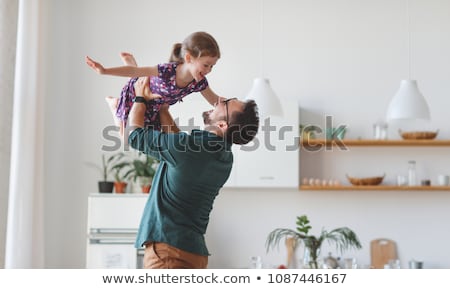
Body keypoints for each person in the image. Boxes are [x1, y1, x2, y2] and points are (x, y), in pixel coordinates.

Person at [127, 77, 259, 269]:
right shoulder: (225, 158)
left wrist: (140, 98)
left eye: (226, 103)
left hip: (167, 254)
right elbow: (179, 147)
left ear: (222, 125)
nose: (219, 100)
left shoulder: (189, 149)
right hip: (193, 254)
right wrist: (163, 110)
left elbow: (135, 136)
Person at [86, 31, 223, 135]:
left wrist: (241, 108)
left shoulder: (198, 82)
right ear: (188, 58)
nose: (209, 70)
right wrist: (104, 70)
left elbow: (216, 101)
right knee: (126, 137)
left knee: (156, 138)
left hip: (154, 107)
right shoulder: (167, 71)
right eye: (206, 65)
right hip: (136, 95)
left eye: (212, 66)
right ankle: (114, 105)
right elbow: (135, 71)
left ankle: (134, 76)